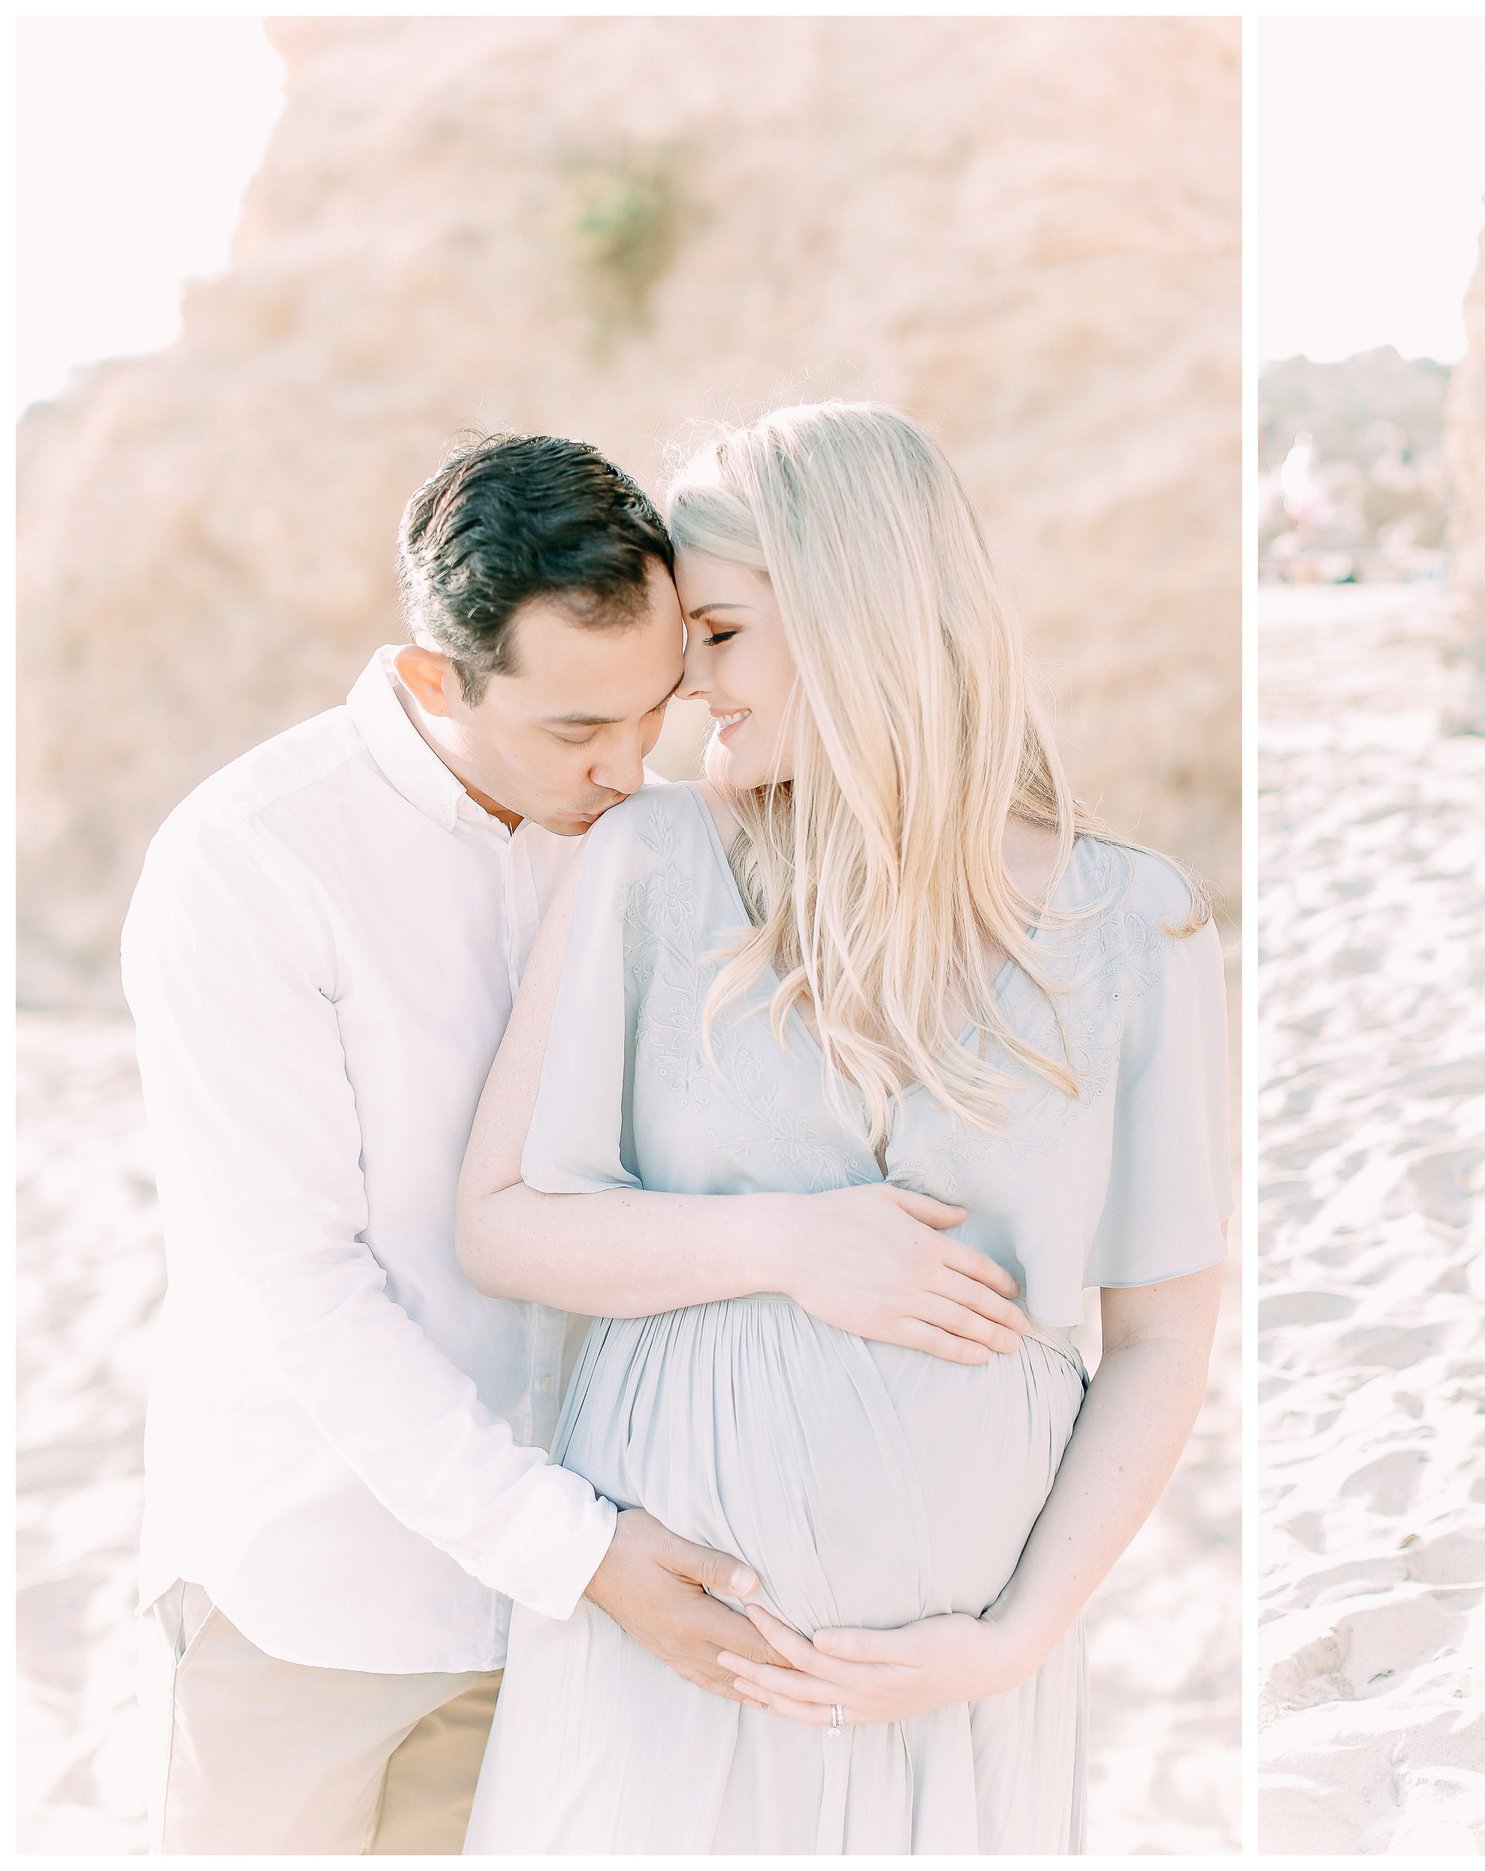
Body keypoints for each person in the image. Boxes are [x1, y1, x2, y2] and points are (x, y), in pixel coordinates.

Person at [122, 432, 1028, 1853]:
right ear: (436, 677)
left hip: (584, 1620)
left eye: (653, 715)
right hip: (315, 1592)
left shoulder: (668, 841)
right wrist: (580, 1551)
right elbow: (298, 1281)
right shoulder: (249, 863)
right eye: (571, 732)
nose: (625, 769)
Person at [454, 400, 1232, 1853]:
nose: (691, 697)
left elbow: (1165, 1337)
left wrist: (1014, 1638)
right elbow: (502, 1221)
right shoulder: (654, 857)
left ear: (859, 614)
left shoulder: (1140, 922)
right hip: (683, 1650)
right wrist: (787, 1244)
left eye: (724, 636)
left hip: (951, 1675)